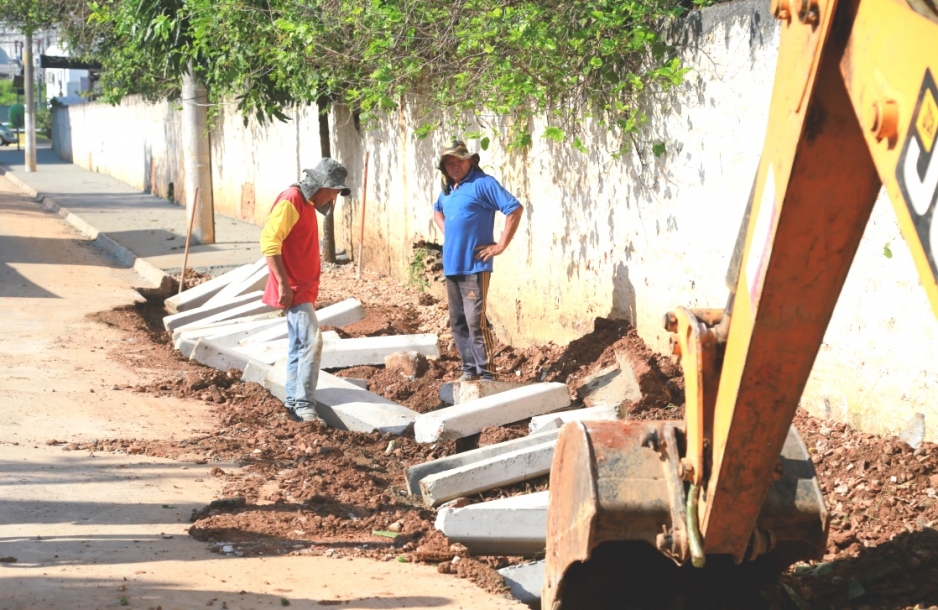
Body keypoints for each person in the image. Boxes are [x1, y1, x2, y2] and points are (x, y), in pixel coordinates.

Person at [260, 158, 350, 422]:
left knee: (299, 345)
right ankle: (304, 406)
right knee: (312, 342)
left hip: (302, 287)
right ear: (320, 185)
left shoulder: (307, 204)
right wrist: (284, 284)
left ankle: (294, 402)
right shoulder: (292, 200)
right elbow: (269, 241)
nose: (335, 196)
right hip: (295, 288)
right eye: (333, 190)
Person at [433, 140, 524, 381]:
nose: (454, 166)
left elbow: (514, 209)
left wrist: (500, 245)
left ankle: (487, 374)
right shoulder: (448, 190)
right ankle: (468, 370)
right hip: (452, 265)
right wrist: (448, 232)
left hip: (475, 266)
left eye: (459, 160)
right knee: (458, 322)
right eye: (449, 163)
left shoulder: (484, 184)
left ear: (470, 160)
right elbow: (437, 211)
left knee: (475, 321)